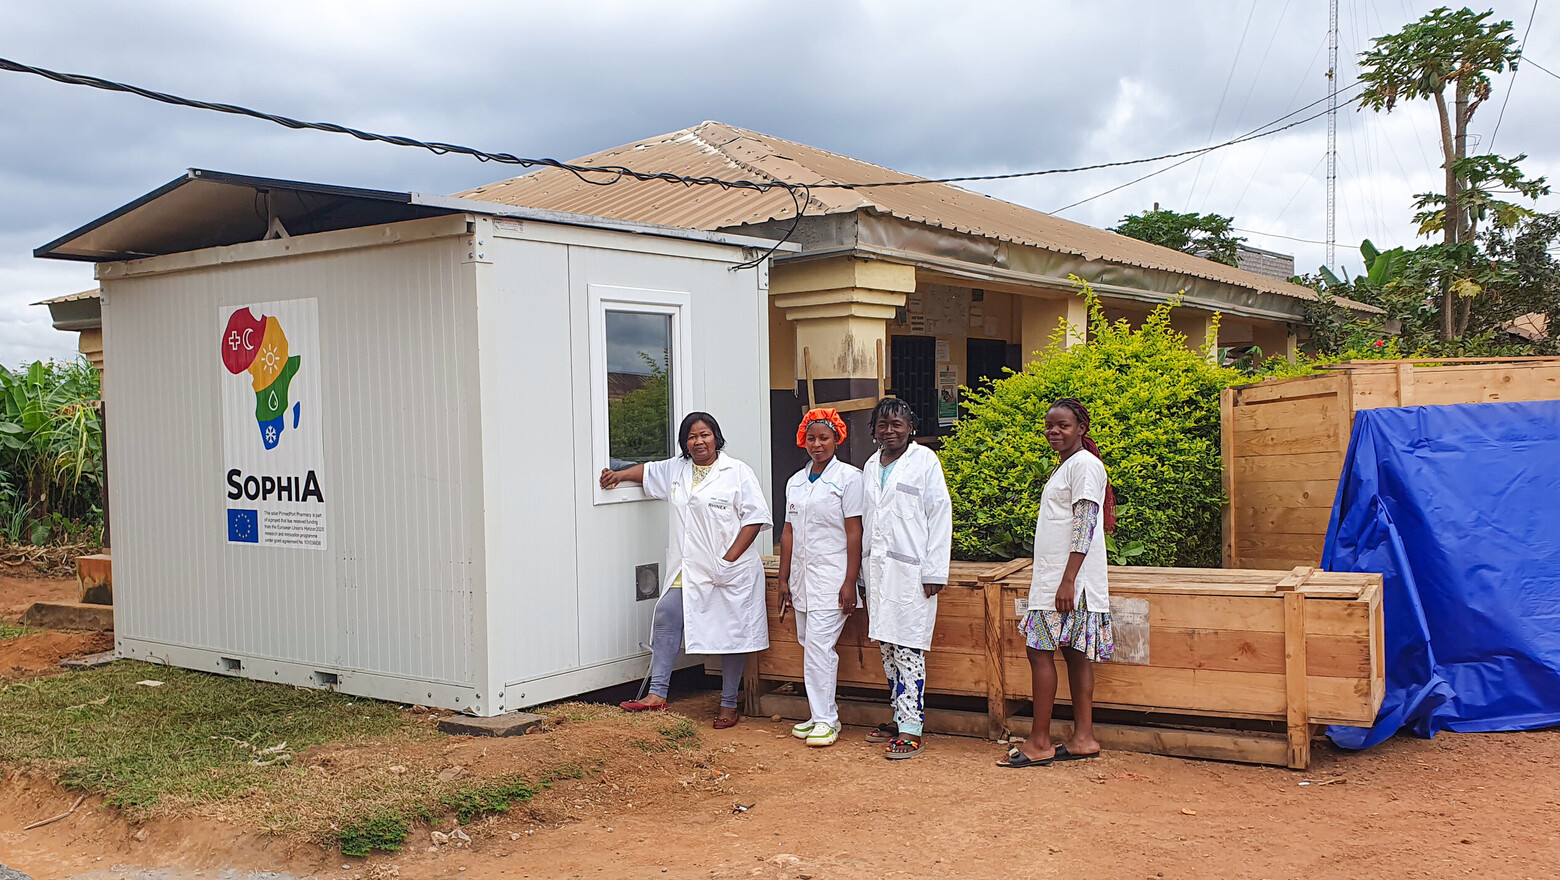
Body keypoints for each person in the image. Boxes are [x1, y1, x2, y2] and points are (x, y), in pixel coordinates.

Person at [599, 412, 772, 729]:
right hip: (689, 566)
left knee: (732, 634)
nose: (699, 441)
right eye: (692, 437)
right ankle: (657, 694)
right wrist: (620, 475)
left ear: (715, 437)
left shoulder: (737, 472)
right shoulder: (677, 469)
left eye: (704, 434)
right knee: (667, 611)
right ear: (685, 443)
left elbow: (756, 519)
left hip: (730, 569)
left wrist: (728, 560)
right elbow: (647, 472)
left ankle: (729, 704)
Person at [1000, 397, 1116, 767]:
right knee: (1075, 654)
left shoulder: (1083, 465)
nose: (1054, 432)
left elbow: (1085, 525)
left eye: (1063, 426)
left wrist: (1067, 581)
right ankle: (1083, 738)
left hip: (1067, 582)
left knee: (1039, 651)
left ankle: (1039, 742)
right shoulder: (1068, 466)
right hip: (1065, 579)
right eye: (1050, 426)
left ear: (1081, 428)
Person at [860, 397, 952, 760]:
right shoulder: (870, 465)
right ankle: (900, 716)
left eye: (897, 424)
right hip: (879, 573)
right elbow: (869, 522)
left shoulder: (925, 461)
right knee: (886, 648)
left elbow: (940, 515)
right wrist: (863, 576)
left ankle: (912, 729)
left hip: (914, 574)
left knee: (909, 649)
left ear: (910, 427)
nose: (890, 431)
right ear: (874, 431)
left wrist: (934, 570)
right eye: (882, 425)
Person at [778, 407, 864, 748]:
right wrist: (783, 579)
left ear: (837, 439)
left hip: (832, 578)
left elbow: (854, 533)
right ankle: (817, 714)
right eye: (811, 438)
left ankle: (827, 720)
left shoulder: (848, 479)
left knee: (818, 648)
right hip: (800, 578)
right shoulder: (795, 482)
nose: (817, 444)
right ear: (803, 441)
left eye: (824, 438)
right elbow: (788, 532)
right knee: (807, 644)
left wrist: (849, 581)